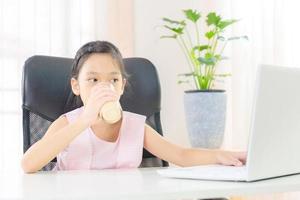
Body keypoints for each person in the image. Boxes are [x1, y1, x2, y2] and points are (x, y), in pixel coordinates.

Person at [21, 41, 246, 173]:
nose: (104, 87)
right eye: (93, 80)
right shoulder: (68, 124)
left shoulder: (134, 126)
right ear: (76, 86)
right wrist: (84, 121)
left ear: (121, 86)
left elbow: (181, 155)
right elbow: (28, 164)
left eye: (113, 80)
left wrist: (224, 155)